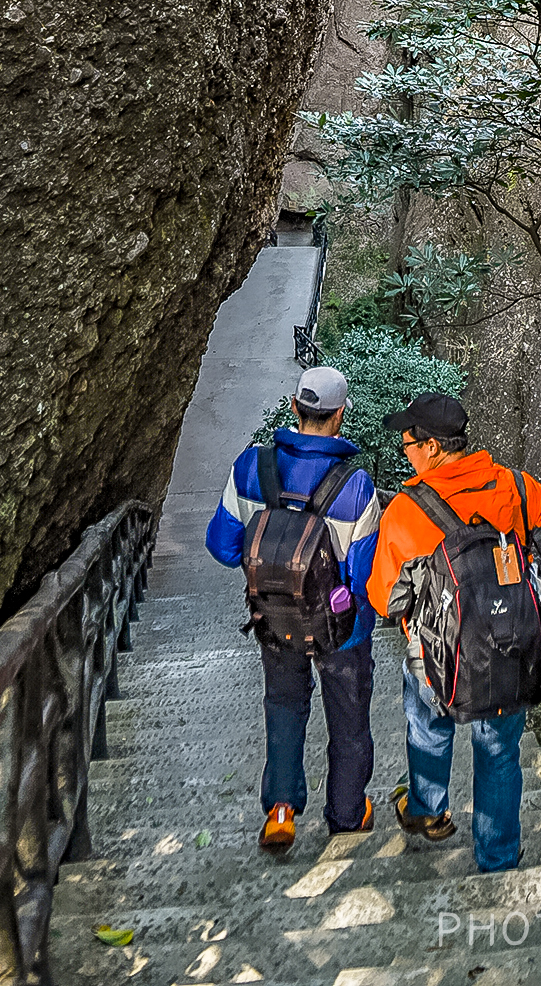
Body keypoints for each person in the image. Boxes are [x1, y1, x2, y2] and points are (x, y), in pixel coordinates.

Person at [367, 389, 541, 874]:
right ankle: (498, 858)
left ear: (430, 447)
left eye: (407, 440)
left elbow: (385, 599)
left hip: (436, 655)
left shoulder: (405, 511)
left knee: (428, 723)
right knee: (500, 750)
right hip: (510, 648)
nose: (404, 449)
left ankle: (428, 809)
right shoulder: (519, 489)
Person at [206, 365, 380, 854]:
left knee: (283, 704)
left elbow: (221, 546)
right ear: (340, 415)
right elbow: (365, 577)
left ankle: (280, 811)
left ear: (293, 408)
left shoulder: (250, 468)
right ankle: (347, 812)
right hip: (341, 628)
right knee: (347, 717)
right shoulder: (356, 486)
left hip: (274, 617)